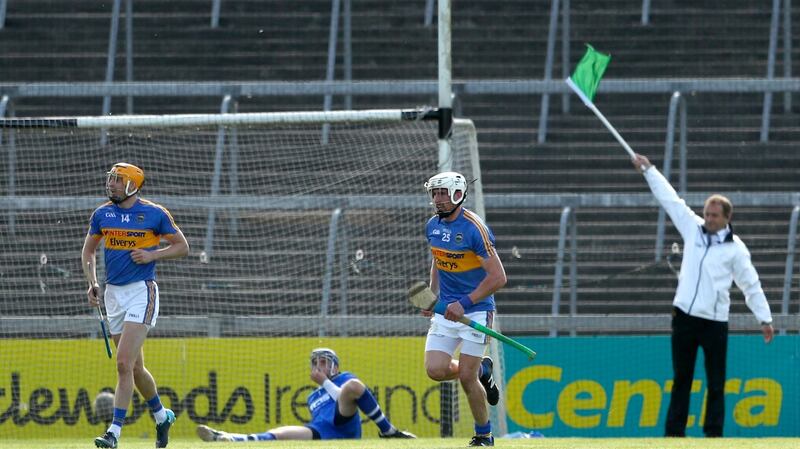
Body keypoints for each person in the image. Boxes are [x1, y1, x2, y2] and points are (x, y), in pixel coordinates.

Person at [630, 153, 774, 437]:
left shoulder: (736, 249)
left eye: (714, 215)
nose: (708, 219)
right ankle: (674, 434)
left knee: (716, 381)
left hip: (714, 322)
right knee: (681, 378)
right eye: (706, 213)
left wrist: (764, 318)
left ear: (727, 218)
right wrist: (649, 170)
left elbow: (751, 285)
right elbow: (671, 200)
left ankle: (713, 434)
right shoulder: (692, 229)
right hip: (684, 316)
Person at [82, 163, 190, 449]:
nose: (113, 184)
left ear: (132, 185)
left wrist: (153, 255)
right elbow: (89, 251)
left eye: (118, 180)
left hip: (141, 292)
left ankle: (114, 433)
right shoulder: (102, 214)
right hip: (113, 295)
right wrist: (92, 283)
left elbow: (182, 246)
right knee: (136, 369)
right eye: (112, 180)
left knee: (122, 364)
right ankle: (161, 415)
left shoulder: (154, 214)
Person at [422, 171, 507, 447]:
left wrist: (465, 303)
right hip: (447, 309)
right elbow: (439, 259)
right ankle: (483, 370)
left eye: (443, 193)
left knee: (466, 378)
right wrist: (432, 296)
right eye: (435, 193)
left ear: (458, 194)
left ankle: (484, 435)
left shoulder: (474, 228)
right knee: (435, 370)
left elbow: (498, 278)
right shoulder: (432, 226)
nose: (438, 199)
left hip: (476, 309)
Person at [196, 348, 416, 442]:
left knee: (354, 387)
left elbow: (342, 397)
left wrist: (325, 381)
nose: (319, 366)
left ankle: (389, 431)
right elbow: (320, 419)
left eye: (324, 362)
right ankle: (229, 438)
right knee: (279, 433)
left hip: (345, 425)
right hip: (322, 431)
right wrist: (322, 384)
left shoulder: (343, 378)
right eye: (316, 363)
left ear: (335, 366)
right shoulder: (311, 396)